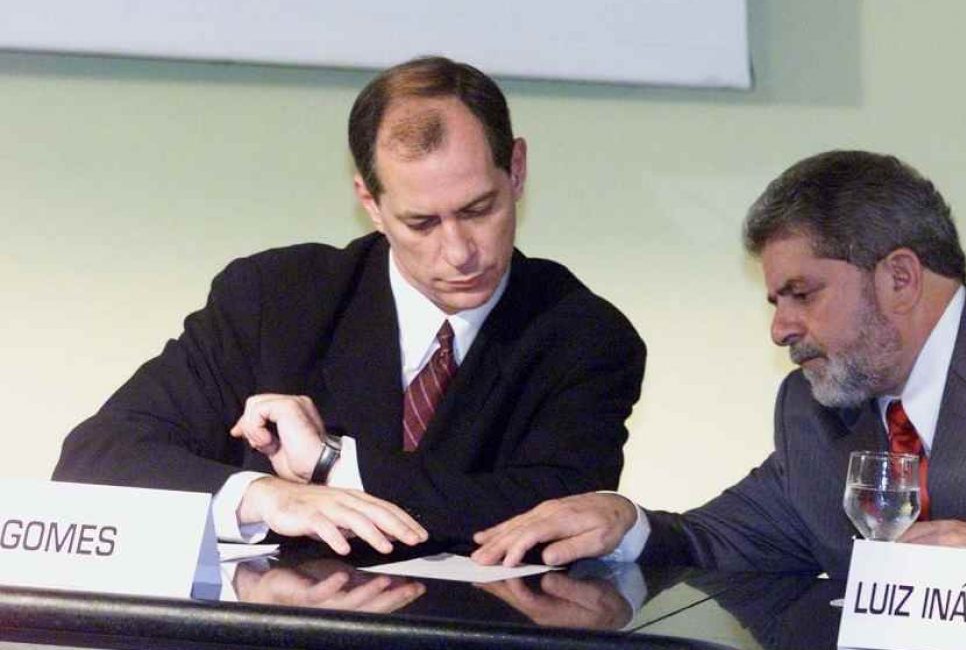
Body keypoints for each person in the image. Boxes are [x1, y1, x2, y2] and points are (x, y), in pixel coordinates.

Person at [471, 149, 966, 579]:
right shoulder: (815, 409)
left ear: (897, 276)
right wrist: (625, 522)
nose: (782, 329)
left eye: (801, 295)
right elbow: (725, 539)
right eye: (773, 303)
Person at [54, 56, 646, 556]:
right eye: (421, 222)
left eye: (478, 209)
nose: (460, 251)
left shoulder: (584, 337)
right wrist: (263, 496)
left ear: (516, 170)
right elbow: (98, 457)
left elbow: (556, 512)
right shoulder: (274, 298)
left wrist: (332, 464)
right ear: (370, 201)